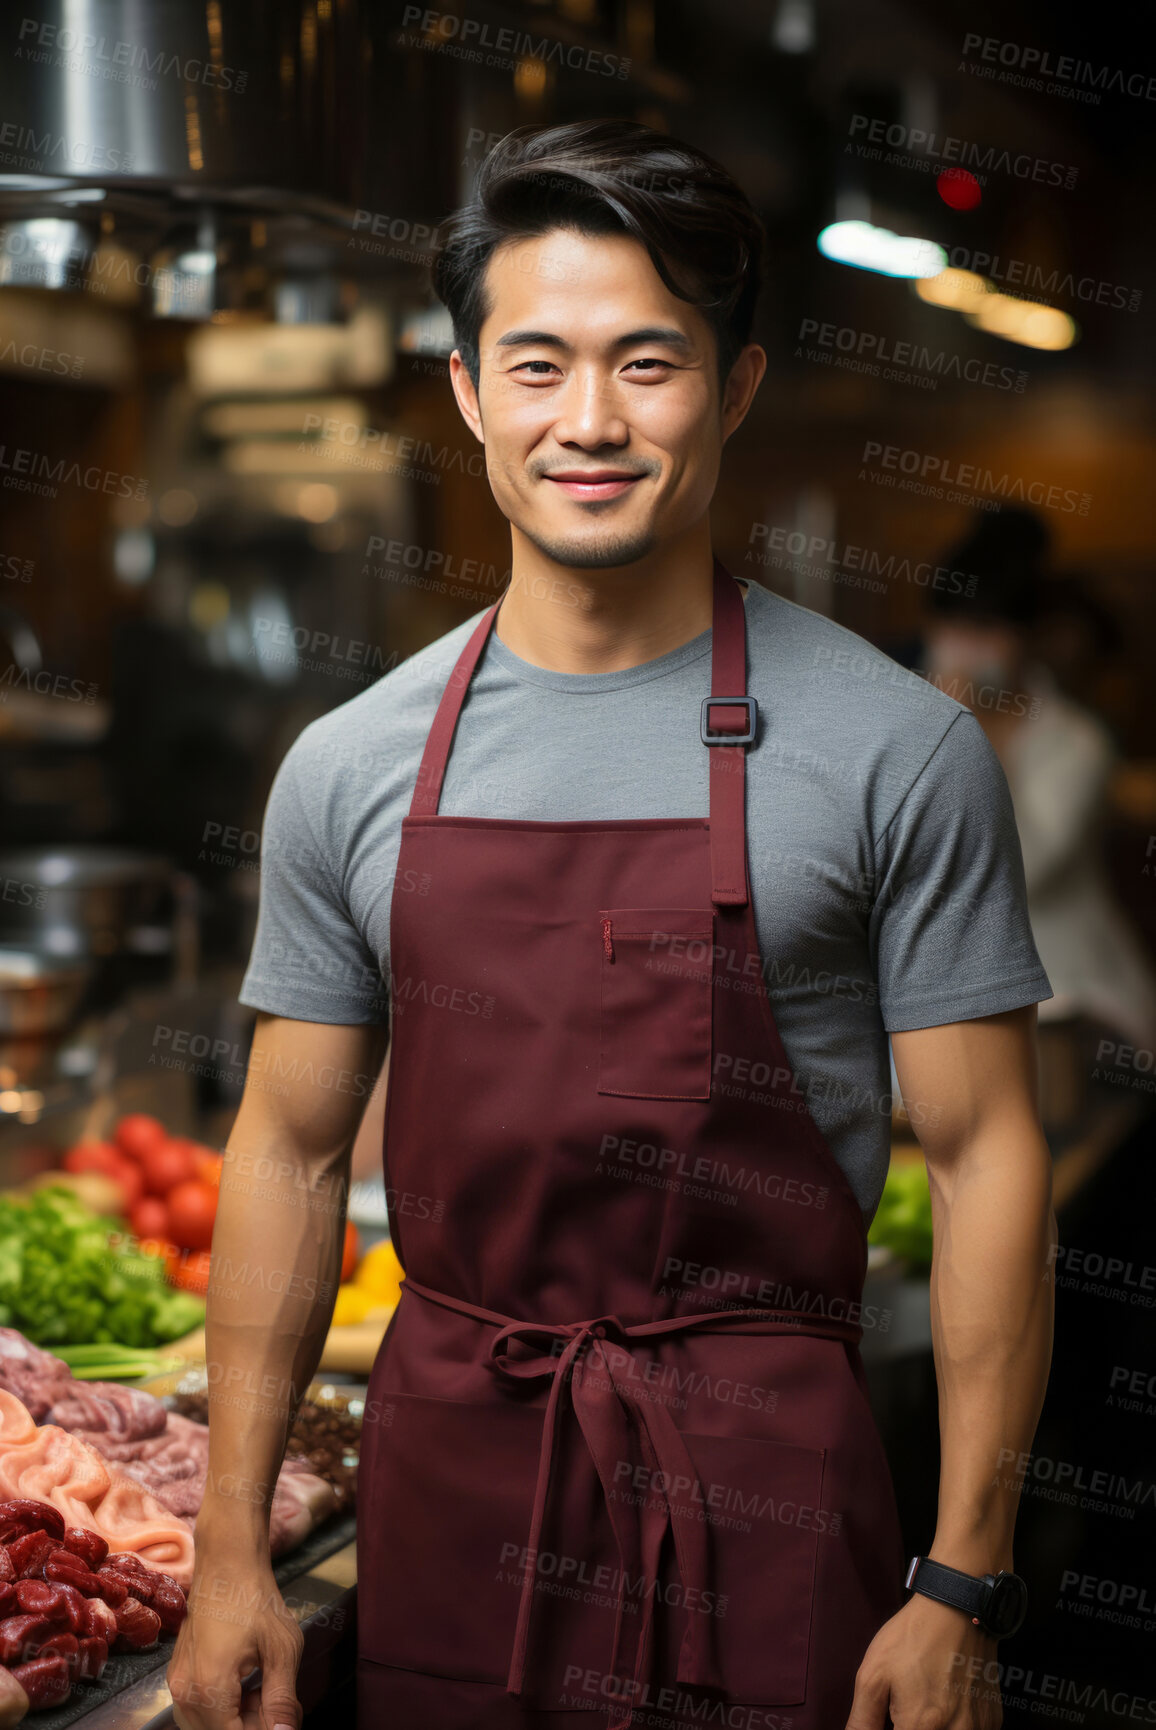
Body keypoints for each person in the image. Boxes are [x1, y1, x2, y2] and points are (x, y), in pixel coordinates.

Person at [168, 121, 1056, 1730]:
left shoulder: (896, 747)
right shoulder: (355, 763)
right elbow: (289, 1155)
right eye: (538, 364)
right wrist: (229, 1549)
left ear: (737, 387)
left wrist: (961, 1578)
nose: (590, 421)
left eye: (648, 363)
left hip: (770, 1502)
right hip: (454, 1500)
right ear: (465, 393)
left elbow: (991, 1155)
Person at [920, 511, 1156, 1058]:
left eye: (982, 631)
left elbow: (1019, 870)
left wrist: (968, 738)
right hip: (948, 1004)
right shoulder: (910, 720)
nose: (960, 648)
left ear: (1023, 638)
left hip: (1075, 1001)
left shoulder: (1076, 743)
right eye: (948, 627)